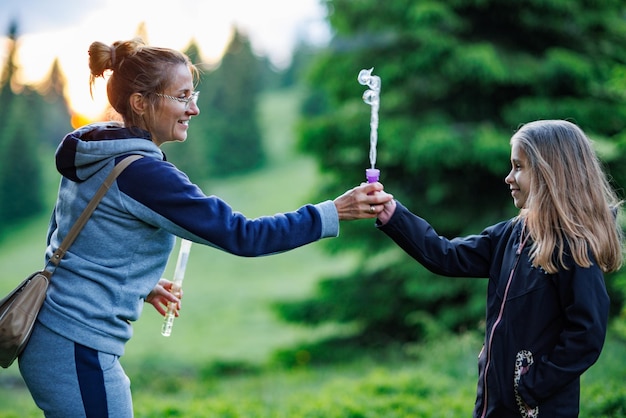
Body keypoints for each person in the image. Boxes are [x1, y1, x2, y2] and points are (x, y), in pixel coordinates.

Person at [18, 38, 393, 418]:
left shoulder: (95, 150)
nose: (194, 108)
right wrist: (334, 212)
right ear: (140, 103)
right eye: (182, 97)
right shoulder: (144, 174)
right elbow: (242, 235)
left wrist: (140, 284)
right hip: (76, 344)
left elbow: (71, 235)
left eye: (192, 95)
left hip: (54, 335)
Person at [375, 120, 623, 417]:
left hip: (538, 409)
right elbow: (445, 255)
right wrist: (392, 214)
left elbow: (586, 335)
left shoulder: (574, 248)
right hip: (493, 406)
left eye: (518, 167)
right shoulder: (509, 235)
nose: (508, 177)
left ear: (550, 174)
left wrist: (532, 386)